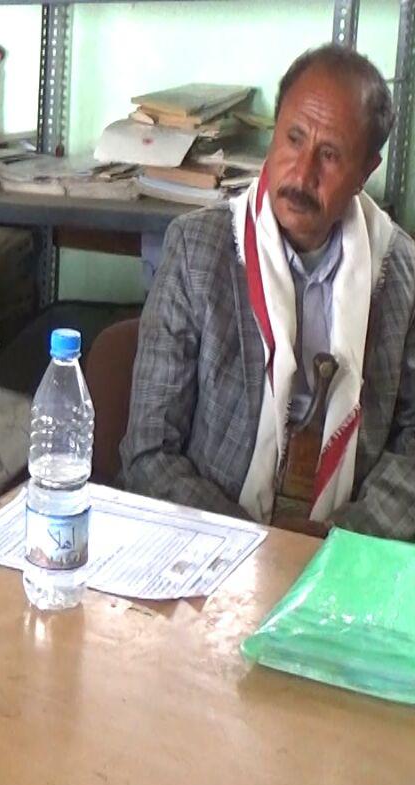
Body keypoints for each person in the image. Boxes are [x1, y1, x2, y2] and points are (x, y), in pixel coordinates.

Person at [122, 45, 415, 539]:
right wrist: (255, 550)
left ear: (366, 170)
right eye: (293, 138)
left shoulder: (400, 272)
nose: (302, 174)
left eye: (330, 155)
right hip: (211, 540)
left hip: (341, 548)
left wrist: (339, 544)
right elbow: (149, 452)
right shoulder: (198, 251)